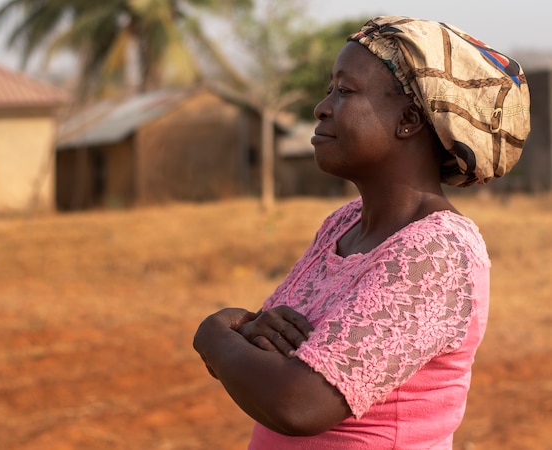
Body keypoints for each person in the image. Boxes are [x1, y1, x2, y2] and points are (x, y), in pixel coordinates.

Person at [193, 16, 530, 449]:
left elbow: (297, 403)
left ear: (408, 119)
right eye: (329, 89)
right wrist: (245, 337)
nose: (322, 107)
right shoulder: (343, 224)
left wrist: (213, 332)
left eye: (345, 91)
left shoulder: (436, 252)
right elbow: (266, 344)